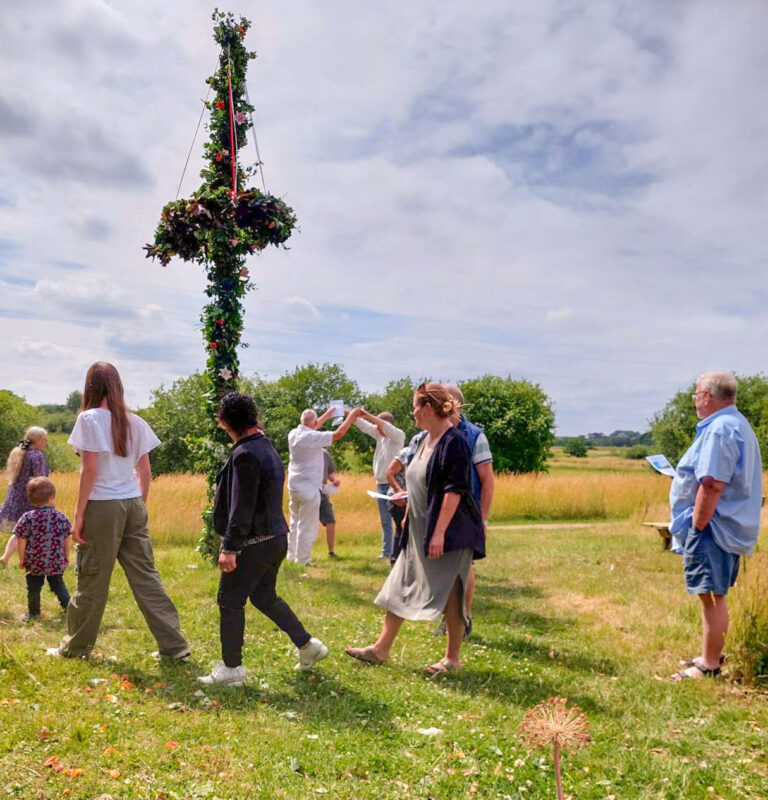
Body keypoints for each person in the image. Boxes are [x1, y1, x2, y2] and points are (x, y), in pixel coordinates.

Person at [51, 362, 189, 660]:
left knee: (92, 578)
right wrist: (140, 504)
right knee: (146, 576)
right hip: (132, 503)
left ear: (90, 387)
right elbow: (146, 470)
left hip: (103, 505)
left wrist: (78, 515)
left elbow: (89, 469)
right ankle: (175, 646)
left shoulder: (89, 419)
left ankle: (74, 648)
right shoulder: (135, 421)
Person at [346, 383, 485, 675]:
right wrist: (408, 512)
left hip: (450, 533)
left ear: (428, 408)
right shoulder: (423, 440)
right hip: (416, 528)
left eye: (415, 406)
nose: (412, 413)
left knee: (452, 592)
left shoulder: (454, 442)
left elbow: (454, 491)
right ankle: (380, 649)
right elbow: (417, 483)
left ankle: (452, 659)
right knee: (399, 584)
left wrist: (438, 533)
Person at [199, 393, 328, 687]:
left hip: (253, 542)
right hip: (275, 538)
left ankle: (232, 670)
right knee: (263, 596)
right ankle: (308, 646)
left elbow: (241, 506)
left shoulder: (245, 454)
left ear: (226, 422)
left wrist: (230, 548)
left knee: (229, 601)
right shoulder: (266, 447)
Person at [669, 372, 763, 681]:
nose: (695, 400)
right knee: (712, 592)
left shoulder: (721, 429)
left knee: (710, 593)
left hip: (713, 526)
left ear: (708, 396)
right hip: (721, 524)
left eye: (696, 395)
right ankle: (711, 654)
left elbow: (711, 484)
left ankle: (709, 664)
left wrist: (698, 523)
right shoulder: (736, 424)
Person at [441, 384, 495, 637]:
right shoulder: (432, 433)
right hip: (437, 512)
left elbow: (487, 480)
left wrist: (482, 520)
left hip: (465, 514)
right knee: (443, 567)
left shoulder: (474, 436)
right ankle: (447, 617)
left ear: (457, 404)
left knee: (464, 567)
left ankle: (464, 618)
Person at [287, 406, 360, 566]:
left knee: (294, 523)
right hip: (309, 488)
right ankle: (303, 560)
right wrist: (351, 416)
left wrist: (327, 415)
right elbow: (338, 434)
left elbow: (311, 426)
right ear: (313, 423)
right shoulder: (312, 436)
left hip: (293, 487)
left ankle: (291, 557)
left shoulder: (293, 434)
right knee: (307, 526)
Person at [15, 477, 71, 621]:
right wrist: (66, 556)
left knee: (33, 587)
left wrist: (22, 559)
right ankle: (69, 609)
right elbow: (67, 538)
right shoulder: (61, 517)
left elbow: (21, 539)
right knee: (58, 584)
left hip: (34, 562)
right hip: (55, 561)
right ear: (51, 497)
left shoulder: (27, 518)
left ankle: (33, 613)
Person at [355, 409, 405, 560]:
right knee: (385, 521)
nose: (376, 429)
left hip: (395, 484)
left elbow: (382, 426)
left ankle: (400, 550)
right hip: (381, 484)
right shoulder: (380, 436)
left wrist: (368, 415)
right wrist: (350, 414)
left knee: (398, 519)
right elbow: (364, 426)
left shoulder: (397, 436)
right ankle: (387, 551)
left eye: (378, 425)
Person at [0, 427, 49, 568]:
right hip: (31, 497)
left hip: (16, 496)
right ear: (37, 440)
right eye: (43, 439)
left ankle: (6, 557)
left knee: (20, 530)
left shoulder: (20, 452)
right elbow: (40, 479)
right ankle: (34, 559)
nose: (45, 442)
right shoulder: (36, 455)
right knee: (30, 530)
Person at [319, 449, 341, 558]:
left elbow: (330, 472)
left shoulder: (324, 453)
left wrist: (335, 480)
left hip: (322, 492)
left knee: (330, 521)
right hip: (308, 489)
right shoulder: (305, 450)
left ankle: (331, 552)